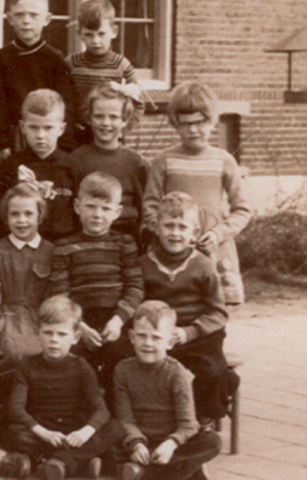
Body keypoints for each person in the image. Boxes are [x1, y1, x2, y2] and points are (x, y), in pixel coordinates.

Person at [142, 81, 251, 306]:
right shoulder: (164, 160)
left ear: (212, 121)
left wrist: (218, 233)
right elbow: (150, 206)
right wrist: (165, 233)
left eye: (199, 122)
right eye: (185, 123)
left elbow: (242, 210)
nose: (192, 130)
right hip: (172, 247)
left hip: (213, 248)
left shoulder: (224, 160)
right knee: (172, 304)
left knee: (216, 307)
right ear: (176, 124)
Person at [2, 296, 125, 480]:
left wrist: (85, 432)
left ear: (75, 337)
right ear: (38, 333)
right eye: (48, 333)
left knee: (116, 428)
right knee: (13, 434)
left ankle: (58, 462)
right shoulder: (27, 366)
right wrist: (43, 433)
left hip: (74, 433)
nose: (54, 340)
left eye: (62, 334)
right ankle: (77, 461)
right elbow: (16, 408)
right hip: (43, 433)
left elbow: (100, 409)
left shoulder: (81, 366)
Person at [141, 192, 235, 424]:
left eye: (182, 227)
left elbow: (218, 313)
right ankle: (142, 419)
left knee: (214, 372)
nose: (175, 233)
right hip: (158, 333)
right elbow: (138, 304)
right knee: (123, 360)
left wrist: (189, 332)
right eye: (168, 226)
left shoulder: (203, 265)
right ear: (157, 227)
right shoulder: (143, 265)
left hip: (198, 333)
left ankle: (200, 421)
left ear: (194, 232)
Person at [49, 172, 144, 400]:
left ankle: (117, 412)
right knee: (74, 362)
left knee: (122, 358)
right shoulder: (64, 247)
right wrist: (80, 327)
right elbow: (60, 294)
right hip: (79, 320)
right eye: (90, 207)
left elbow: (135, 287)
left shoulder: (124, 243)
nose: (97, 214)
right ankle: (84, 412)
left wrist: (118, 320)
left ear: (117, 212)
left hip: (116, 319)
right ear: (77, 207)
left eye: (105, 208)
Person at [113, 301, 222, 480]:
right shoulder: (122, 370)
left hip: (170, 441)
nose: (148, 343)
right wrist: (137, 444)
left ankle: (146, 473)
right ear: (132, 337)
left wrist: (171, 444)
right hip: (139, 440)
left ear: (170, 342)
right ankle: (180, 471)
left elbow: (188, 424)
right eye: (141, 336)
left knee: (212, 441)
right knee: (108, 437)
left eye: (156, 338)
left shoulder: (176, 373)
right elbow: (125, 418)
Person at [0, 0, 75, 156]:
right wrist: (2, 143)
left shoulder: (56, 59)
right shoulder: (2, 58)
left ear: (46, 19)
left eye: (34, 15)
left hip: (48, 138)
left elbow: (67, 106)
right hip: (14, 139)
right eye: (19, 15)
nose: (26, 21)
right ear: (10, 18)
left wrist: (63, 147)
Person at [0, 183, 54, 363]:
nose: (21, 220)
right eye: (14, 214)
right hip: (7, 320)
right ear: (6, 217)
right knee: (13, 354)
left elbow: (55, 296)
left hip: (41, 320)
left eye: (28, 214)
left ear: (40, 216)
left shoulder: (51, 251)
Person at [71, 83, 149, 244]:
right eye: (99, 116)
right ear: (89, 118)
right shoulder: (76, 159)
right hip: (87, 238)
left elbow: (144, 208)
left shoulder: (136, 163)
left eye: (113, 117)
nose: (106, 123)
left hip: (127, 239)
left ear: (124, 120)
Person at [0, 89, 78, 241]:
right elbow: (1, 213)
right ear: (22, 127)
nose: (40, 135)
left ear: (61, 129)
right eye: (33, 127)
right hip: (21, 244)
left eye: (48, 128)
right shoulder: (10, 166)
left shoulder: (72, 167)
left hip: (62, 245)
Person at [66, 0, 140, 146]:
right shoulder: (71, 64)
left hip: (111, 136)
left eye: (101, 34)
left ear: (114, 31)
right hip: (78, 137)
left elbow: (137, 103)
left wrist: (122, 130)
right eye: (89, 34)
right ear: (79, 33)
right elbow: (63, 102)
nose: (95, 41)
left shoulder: (121, 65)